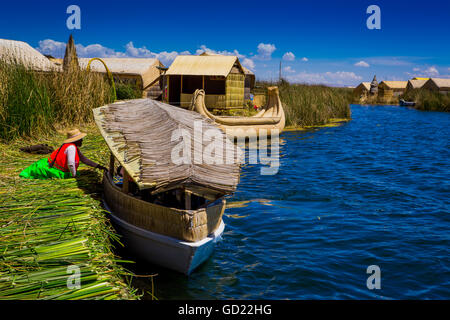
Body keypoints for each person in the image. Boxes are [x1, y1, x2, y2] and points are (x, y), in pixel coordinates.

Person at [19, 129, 107, 179]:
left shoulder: (72, 146)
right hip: (58, 171)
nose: (82, 140)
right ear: (76, 140)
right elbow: (71, 164)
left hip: (54, 165)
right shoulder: (71, 148)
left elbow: (84, 160)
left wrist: (98, 166)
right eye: (81, 139)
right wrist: (74, 176)